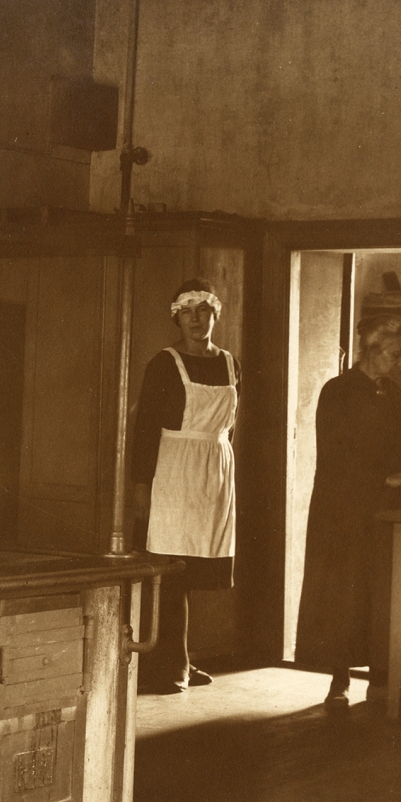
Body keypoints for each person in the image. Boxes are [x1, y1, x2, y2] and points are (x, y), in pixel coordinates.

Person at [294, 312, 401, 710]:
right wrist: (383, 480)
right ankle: (338, 680)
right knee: (346, 597)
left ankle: (385, 676)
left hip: (390, 513)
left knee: (388, 594)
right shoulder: (337, 392)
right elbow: (335, 458)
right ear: (372, 350)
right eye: (397, 354)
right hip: (345, 510)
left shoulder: (393, 394)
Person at [131, 278, 239, 694]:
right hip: (172, 471)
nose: (196, 320)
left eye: (203, 311)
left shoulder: (231, 363)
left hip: (214, 471)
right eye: (187, 312)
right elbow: (144, 430)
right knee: (168, 571)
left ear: (215, 314)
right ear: (176, 317)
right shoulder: (164, 363)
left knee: (194, 570)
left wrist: (223, 476)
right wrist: (142, 486)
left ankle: (183, 660)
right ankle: (164, 666)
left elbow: (231, 425)